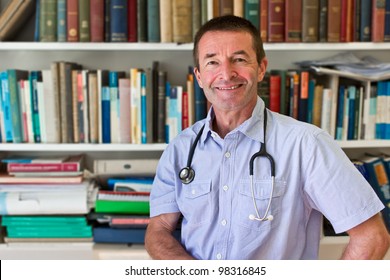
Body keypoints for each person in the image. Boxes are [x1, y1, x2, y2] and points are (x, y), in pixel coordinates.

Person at [144, 15, 389, 260]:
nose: (226, 74)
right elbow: (158, 230)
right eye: (212, 62)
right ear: (199, 76)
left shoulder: (306, 144)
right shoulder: (181, 148)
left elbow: (372, 237)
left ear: (261, 68)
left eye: (238, 59)